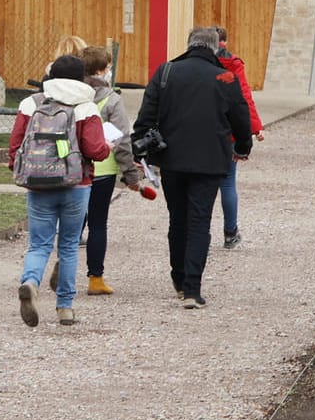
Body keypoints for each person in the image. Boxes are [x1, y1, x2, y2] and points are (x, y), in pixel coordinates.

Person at [132, 26, 251, 309]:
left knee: (178, 219)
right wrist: (243, 147)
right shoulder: (225, 77)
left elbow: (146, 115)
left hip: (172, 158)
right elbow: (240, 116)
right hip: (210, 160)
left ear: (189, 45)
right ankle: (192, 289)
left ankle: (179, 277)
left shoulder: (166, 72)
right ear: (215, 48)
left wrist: (140, 147)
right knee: (200, 221)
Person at [7, 54, 111, 328]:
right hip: (77, 184)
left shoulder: (32, 103)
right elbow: (94, 149)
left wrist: (19, 169)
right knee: (67, 246)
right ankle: (65, 307)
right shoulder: (86, 106)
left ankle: (30, 282)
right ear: (82, 77)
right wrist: (107, 148)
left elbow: (16, 142)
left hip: (38, 181)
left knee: (39, 243)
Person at [80, 45, 144, 294]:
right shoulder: (111, 99)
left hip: (74, 166)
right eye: (107, 68)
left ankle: (62, 271)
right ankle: (95, 278)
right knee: (98, 224)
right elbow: (121, 140)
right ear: (100, 70)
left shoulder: (71, 94)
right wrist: (131, 175)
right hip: (102, 168)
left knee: (73, 225)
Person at [210, 26, 264, 249]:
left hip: (204, 130)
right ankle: (230, 232)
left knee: (202, 185)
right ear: (225, 41)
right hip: (229, 132)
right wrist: (255, 127)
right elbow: (244, 99)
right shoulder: (233, 64)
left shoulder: (199, 64)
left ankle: (199, 234)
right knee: (228, 184)